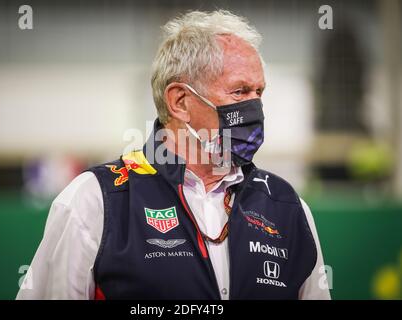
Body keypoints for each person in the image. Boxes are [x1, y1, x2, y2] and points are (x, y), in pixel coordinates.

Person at [17, 10, 331, 300]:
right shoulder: (97, 200)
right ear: (179, 101)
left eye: (258, 93)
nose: (255, 108)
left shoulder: (286, 206)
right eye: (239, 91)